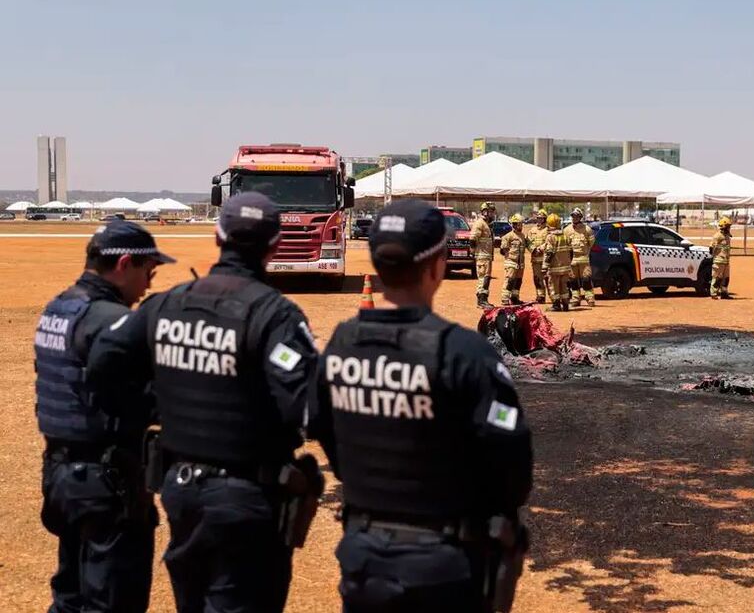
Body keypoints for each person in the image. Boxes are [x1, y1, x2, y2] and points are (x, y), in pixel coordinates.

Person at [87, 192, 322, 613]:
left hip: (181, 490)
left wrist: (160, 406)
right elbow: (306, 407)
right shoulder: (275, 316)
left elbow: (104, 361)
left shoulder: (167, 304)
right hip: (246, 498)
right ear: (275, 245)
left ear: (218, 235)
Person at [309, 198, 532, 613]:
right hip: (443, 564)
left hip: (364, 558)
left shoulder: (342, 344)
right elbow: (512, 460)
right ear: (437, 265)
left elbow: (322, 425)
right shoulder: (465, 353)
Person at [35, 221, 173, 613]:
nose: (147, 286)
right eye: (148, 273)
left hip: (61, 475)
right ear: (125, 264)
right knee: (112, 599)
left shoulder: (59, 308)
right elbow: (134, 400)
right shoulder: (112, 322)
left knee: (70, 594)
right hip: (106, 482)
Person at [562, 207, 596, 308]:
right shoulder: (567, 230)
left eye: (576, 216)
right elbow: (565, 244)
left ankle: (590, 299)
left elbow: (591, 243)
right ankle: (576, 299)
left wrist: (586, 252)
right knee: (573, 281)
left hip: (584, 260)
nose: (574, 218)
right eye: (573, 216)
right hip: (572, 261)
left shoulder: (587, 229)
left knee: (586, 279)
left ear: (580, 217)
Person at [543, 213, 573, 312]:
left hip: (555, 268)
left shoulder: (550, 237)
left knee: (554, 287)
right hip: (565, 268)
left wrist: (545, 266)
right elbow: (571, 251)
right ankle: (565, 305)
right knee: (564, 286)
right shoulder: (565, 236)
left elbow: (549, 252)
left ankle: (556, 305)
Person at [470, 201, 497, 308]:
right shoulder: (480, 223)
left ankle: (484, 299)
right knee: (483, 278)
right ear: (485, 212)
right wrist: (474, 252)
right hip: (482, 257)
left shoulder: (487, 225)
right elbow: (472, 239)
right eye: (491, 212)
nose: (493, 214)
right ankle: (481, 301)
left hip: (486, 257)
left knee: (486, 278)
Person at [499, 213, 527, 305]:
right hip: (511, 262)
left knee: (518, 281)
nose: (519, 226)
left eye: (520, 224)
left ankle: (515, 298)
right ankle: (505, 298)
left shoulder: (523, 236)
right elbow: (503, 250)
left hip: (520, 263)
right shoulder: (508, 236)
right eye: (517, 224)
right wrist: (510, 257)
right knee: (510, 280)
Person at [525, 209, 550, 303]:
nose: (540, 220)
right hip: (535, 259)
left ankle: (553, 297)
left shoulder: (548, 230)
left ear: (545, 219)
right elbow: (527, 242)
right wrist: (533, 249)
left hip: (545, 259)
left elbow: (549, 242)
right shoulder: (532, 230)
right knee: (537, 278)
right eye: (538, 218)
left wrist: (540, 249)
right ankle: (540, 296)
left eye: (542, 218)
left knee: (548, 279)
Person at [709, 216, 733, 299]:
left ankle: (724, 293)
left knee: (726, 279)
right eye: (728, 226)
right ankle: (714, 293)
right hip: (718, 261)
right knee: (717, 278)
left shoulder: (727, 236)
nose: (729, 228)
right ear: (723, 226)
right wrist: (713, 257)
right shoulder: (717, 236)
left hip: (726, 261)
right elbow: (711, 248)